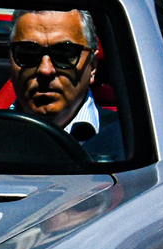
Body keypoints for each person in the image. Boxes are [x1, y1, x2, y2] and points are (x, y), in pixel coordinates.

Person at [7, 9, 108, 148]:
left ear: (93, 66)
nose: (45, 70)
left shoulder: (126, 142)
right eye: (28, 53)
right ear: (10, 62)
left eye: (65, 55)